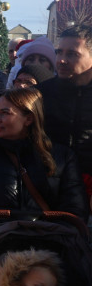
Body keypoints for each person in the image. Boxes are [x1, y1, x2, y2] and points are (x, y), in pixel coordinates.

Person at [0, 87, 88, 229]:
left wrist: (55, 235)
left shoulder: (62, 156)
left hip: (50, 242)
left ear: (29, 118)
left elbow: (75, 206)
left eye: (5, 113)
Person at [40, 25, 92, 179]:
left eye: (72, 54)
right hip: (50, 185)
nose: (61, 60)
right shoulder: (38, 95)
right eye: (59, 52)